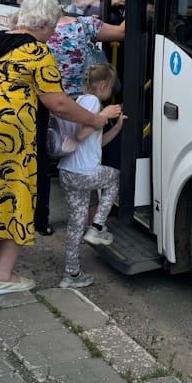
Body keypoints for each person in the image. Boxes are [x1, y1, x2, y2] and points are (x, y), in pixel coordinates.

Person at [0, 0, 121, 295]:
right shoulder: (37, 52)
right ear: (43, 25)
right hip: (12, 136)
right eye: (53, 27)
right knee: (18, 197)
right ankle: (3, 276)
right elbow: (57, 103)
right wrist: (95, 119)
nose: (53, 32)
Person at [36, 0, 125, 235]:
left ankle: (41, 220)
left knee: (44, 161)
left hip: (50, 103)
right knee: (86, 156)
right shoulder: (85, 25)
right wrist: (133, 4)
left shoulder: (37, 33)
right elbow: (121, 32)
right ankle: (93, 220)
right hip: (80, 104)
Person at [57, 62, 125, 289]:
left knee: (76, 223)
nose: (111, 91)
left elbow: (95, 143)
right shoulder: (94, 102)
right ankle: (97, 228)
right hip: (83, 173)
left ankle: (71, 274)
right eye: (111, 86)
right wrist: (104, 114)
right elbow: (80, 134)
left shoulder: (80, 101)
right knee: (115, 177)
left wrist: (116, 128)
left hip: (68, 172)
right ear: (103, 85)